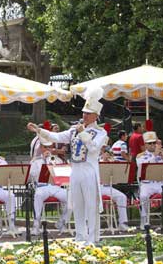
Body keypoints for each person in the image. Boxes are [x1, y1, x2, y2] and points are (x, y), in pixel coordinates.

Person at [28, 86, 108, 243]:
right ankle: (80, 236)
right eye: (84, 113)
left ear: (96, 116)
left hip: (89, 170)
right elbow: (56, 137)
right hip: (76, 170)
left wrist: (82, 132)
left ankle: (91, 238)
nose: (84, 115)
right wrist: (39, 130)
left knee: (90, 205)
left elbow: (93, 148)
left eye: (88, 113)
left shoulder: (100, 132)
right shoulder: (73, 130)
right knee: (77, 204)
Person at [29, 138, 68, 236]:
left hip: (55, 187)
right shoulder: (36, 161)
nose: (47, 149)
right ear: (40, 148)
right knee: (38, 196)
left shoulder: (57, 160)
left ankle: (62, 222)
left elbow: (63, 176)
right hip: (42, 187)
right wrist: (43, 161)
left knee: (70, 198)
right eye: (45, 147)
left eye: (49, 147)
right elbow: (32, 176)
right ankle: (36, 224)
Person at [99, 147, 130, 231]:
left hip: (107, 187)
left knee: (122, 197)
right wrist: (103, 161)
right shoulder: (95, 159)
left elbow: (116, 180)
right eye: (104, 151)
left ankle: (122, 223)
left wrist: (113, 165)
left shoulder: (111, 161)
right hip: (96, 187)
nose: (106, 153)